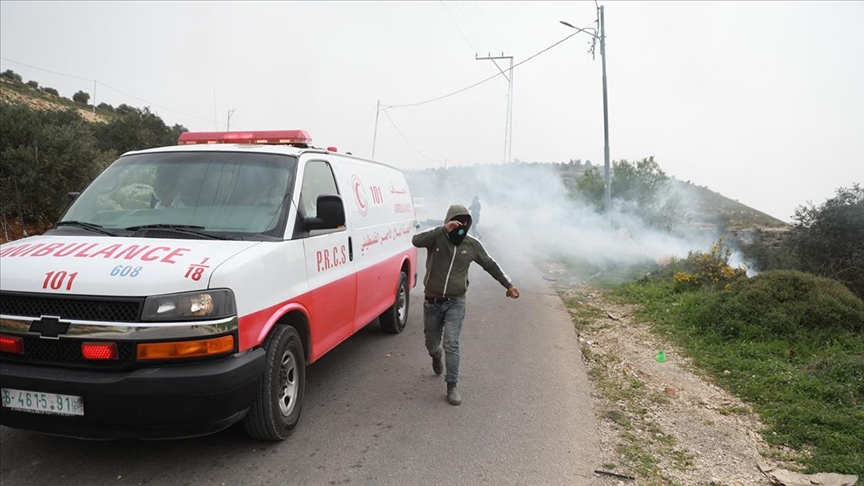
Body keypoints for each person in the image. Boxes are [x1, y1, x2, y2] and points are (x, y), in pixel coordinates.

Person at [412, 204, 520, 406]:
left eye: (464, 222)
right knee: (432, 344)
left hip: (456, 302)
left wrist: (509, 285)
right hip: (432, 302)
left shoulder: (471, 244)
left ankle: (452, 385)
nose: (460, 225)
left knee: (451, 343)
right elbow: (416, 240)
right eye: (456, 221)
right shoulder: (436, 237)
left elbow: (490, 264)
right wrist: (444, 229)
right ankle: (436, 356)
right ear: (448, 220)